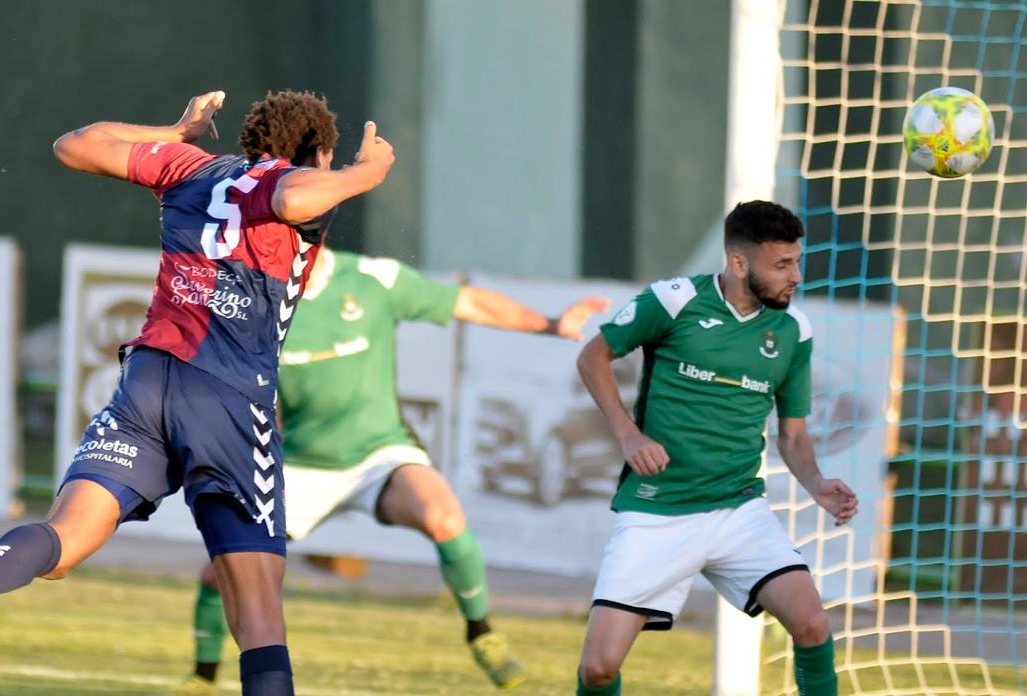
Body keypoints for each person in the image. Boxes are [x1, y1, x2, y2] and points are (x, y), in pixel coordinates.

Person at [0, 90, 394, 696]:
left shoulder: (190, 166)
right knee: (259, 608)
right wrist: (364, 173)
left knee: (63, 539)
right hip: (229, 398)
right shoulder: (304, 185)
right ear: (318, 151)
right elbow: (292, 196)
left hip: (149, 381)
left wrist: (174, 129)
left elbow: (74, 144)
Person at [171, 245, 609, 695]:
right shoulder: (256, 300)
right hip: (302, 464)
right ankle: (203, 677)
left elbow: (470, 302)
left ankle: (482, 634)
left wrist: (551, 324)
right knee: (221, 571)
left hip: (379, 454)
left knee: (442, 514)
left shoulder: (372, 279)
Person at [572, 200, 858, 696]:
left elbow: (792, 434)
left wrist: (816, 484)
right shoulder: (674, 301)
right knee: (598, 667)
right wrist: (628, 434)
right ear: (739, 263)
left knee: (812, 624)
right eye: (782, 264)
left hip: (739, 510)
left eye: (797, 261)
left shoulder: (794, 332)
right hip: (659, 511)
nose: (796, 276)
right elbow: (593, 356)